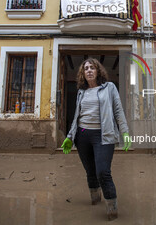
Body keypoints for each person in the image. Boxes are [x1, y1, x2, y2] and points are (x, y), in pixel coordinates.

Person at [61, 57, 131, 221]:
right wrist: (70, 136)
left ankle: (112, 210)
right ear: (83, 73)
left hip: (103, 135)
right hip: (83, 134)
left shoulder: (109, 88)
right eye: (86, 68)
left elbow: (118, 111)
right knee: (90, 171)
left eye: (92, 67)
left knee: (103, 172)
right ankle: (95, 198)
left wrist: (125, 132)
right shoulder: (81, 92)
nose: (89, 70)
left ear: (98, 71)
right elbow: (76, 116)